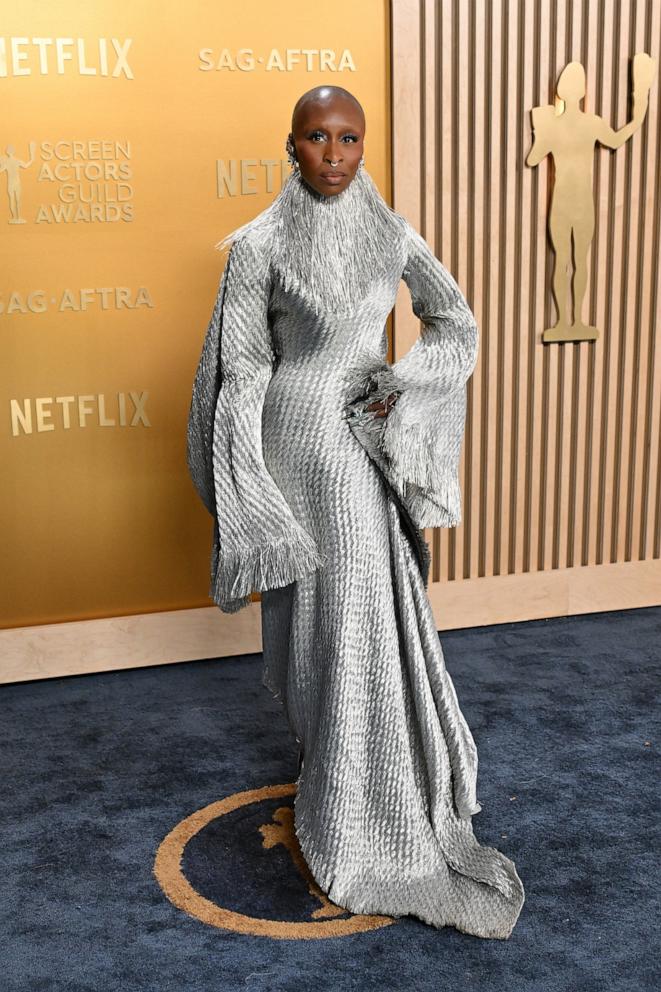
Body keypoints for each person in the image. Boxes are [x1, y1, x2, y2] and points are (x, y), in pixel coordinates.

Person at [186, 85, 525, 939]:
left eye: (348, 139)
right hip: (286, 442)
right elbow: (240, 368)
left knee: (354, 618)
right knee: (314, 622)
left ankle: (352, 796)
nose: (333, 154)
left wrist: (401, 388)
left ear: (363, 146)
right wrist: (246, 471)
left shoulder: (391, 233)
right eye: (316, 138)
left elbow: (454, 322)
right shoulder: (258, 244)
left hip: (350, 449)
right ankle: (331, 767)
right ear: (290, 144)